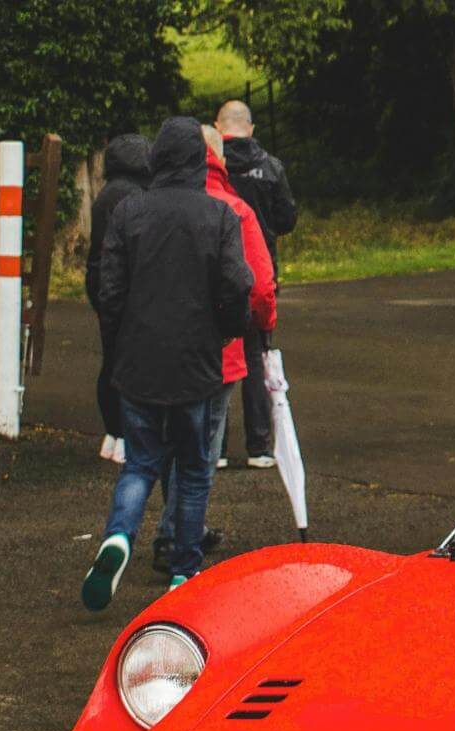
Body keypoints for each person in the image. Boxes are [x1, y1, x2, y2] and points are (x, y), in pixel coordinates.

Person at [84, 116, 252, 609]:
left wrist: (117, 348)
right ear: (200, 162)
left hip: (137, 362)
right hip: (195, 363)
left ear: (157, 157)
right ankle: (184, 569)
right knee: (194, 468)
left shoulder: (129, 211)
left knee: (140, 463)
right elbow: (237, 285)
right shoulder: (218, 216)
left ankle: (118, 538)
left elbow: (109, 292)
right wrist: (226, 330)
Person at [150, 126, 278, 578]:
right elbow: (259, 285)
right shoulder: (235, 209)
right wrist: (261, 324)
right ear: (219, 158)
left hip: (160, 347)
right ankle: (179, 536)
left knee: (169, 445)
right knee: (201, 450)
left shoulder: (154, 206)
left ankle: (181, 526)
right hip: (220, 354)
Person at [216, 99, 296, 468]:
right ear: (251, 128)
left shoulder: (212, 169)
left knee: (216, 356)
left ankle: (215, 447)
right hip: (261, 271)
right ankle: (259, 447)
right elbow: (286, 219)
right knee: (255, 357)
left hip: (217, 273)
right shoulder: (270, 167)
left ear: (219, 127)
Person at [85, 133, 151, 464]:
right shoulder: (134, 196)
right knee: (127, 363)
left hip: (101, 283)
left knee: (111, 359)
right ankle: (126, 433)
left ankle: (113, 433)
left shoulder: (106, 195)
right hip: (123, 287)